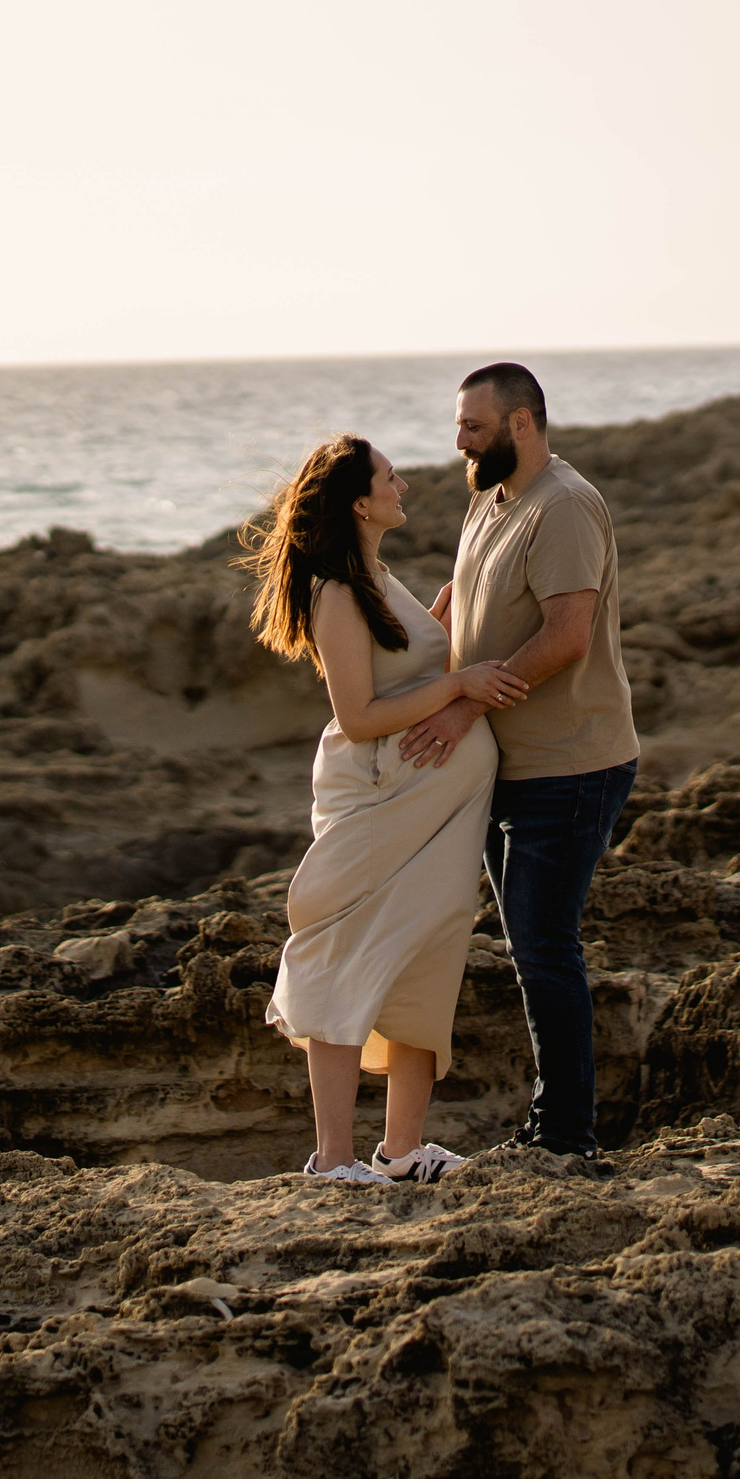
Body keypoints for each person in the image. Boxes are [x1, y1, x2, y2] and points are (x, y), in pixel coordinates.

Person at [241, 434, 527, 1184]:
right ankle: (333, 1159)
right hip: (378, 799)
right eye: (390, 476)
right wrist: (464, 685)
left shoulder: (378, 576)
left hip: (435, 813)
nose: (404, 484)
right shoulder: (336, 589)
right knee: (339, 955)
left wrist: (449, 620)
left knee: (425, 956)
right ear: (361, 502)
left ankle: (401, 1148)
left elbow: (406, 659)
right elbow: (362, 712)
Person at [397, 363, 639, 1160]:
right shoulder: (490, 498)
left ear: (522, 423)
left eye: (473, 425)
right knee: (532, 948)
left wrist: (465, 704)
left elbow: (567, 636)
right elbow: (479, 596)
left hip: (569, 764)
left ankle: (566, 1134)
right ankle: (552, 1124)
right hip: (508, 763)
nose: (459, 439)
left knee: (544, 948)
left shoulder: (565, 505)